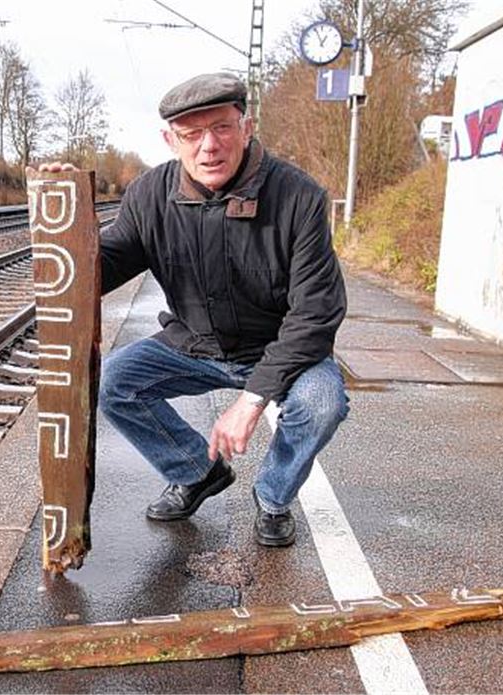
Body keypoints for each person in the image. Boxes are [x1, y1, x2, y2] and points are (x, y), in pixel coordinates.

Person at [40, 72, 348, 547]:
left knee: (322, 400)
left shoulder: (298, 198)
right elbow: (102, 267)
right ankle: (196, 471)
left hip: (279, 351)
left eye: (222, 128)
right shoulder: (149, 195)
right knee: (114, 381)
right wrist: (65, 218)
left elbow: (316, 314)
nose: (209, 146)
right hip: (193, 346)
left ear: (246, 127)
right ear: (171, 140)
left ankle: (273, 497)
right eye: (191, 134)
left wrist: (251, 400)